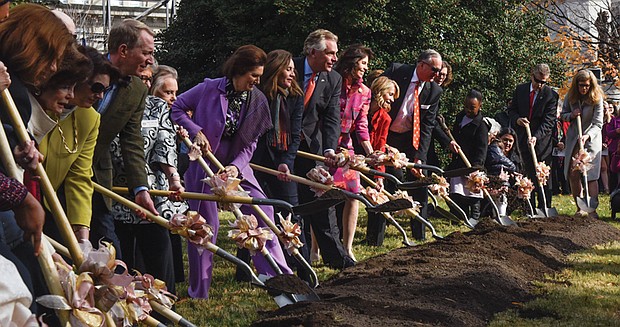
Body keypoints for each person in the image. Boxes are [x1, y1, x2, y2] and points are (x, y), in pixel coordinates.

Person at [171, 44, 293, 299]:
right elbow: (178, 108)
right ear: (238, 70)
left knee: (262, 211)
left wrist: (235, 167)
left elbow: (251, 143)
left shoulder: (257, 99)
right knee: (203, 227)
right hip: (204, 165)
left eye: (259, 76)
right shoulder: (208, 88)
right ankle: (199, 291)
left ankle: (278, 277)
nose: (257, 81)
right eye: (254, 76)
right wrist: (196, 131)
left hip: (237, 165)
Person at [110, 61, 187, 294]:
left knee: (159, 257)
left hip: (155, 194)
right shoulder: (110, 103)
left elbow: (165, 144)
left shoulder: (157, 107)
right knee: (121, 262)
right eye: (140, 78)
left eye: (147, 79)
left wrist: (173, 177)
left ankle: (163, 308)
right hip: (117, 194)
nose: (143, 83)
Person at [90, 19, 158, 257]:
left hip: (97, 176)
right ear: (123, 50)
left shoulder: (138, 90)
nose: (150, 60)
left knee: (107, 247)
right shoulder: (83, 69)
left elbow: (132, 142)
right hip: (55, 170)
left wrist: (140, 188)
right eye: (147, 52)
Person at [292, 29, 354, 269]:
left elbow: (331, 119)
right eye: (330, 53)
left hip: (314, 149)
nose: (334, 58)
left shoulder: (334, 79)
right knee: (292, 204)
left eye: (335, 53)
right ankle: (301, 257)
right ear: (313, 52)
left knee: (321, 199)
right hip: (283, 148)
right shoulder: (289, 70)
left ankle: (337, 257)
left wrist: (330, 149)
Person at [381, 49, 448, 241]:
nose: (437, 75)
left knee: (420, 182)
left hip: (412, 139)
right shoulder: (396, 71)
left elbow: (427, 126)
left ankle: (420, 235)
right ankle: (377, 232)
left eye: (439, 71)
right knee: (386, 180)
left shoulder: (434, 90)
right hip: (386, 135)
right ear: (421, 65)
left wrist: (420, 155)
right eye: (434, 70)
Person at [33, 48, 97, 243]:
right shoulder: (27, 105)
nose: (99, 96)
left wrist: (82, 236)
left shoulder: (90, 118)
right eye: (96, 87)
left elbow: (80, 176)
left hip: (46, 203)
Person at [251, 49, 304, 279]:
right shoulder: (258, 95)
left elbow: (295, 134)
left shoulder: (295, 97)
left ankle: (295, 264)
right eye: (288, 69)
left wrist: (286, 162)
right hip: (257, 163)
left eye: (293, 69)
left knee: (290, 211)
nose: (292, 74)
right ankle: (247, 267)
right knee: (253, 214)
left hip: (282, 161)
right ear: (276, 69)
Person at [331, 44, 374, 261]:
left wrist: (369, 151)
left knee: (353, 193)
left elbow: (362, 124)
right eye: (363, 63)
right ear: (352, 61)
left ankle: (347, 248)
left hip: (347, 148)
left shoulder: (365, 92)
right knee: (324, 194)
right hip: (326, 146)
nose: (366, 68)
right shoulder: (332, 82)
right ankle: (317, 248)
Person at [508, 63, 558, 211]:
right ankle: (528, 208)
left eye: (544, 82)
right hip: (523, 138)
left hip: (542, 142)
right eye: (538, 81)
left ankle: (544, 207)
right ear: (532, 76)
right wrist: (517, 120)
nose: (540, 85)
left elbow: (549, 121)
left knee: (542, 175)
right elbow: (512, 110)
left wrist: (536, 137)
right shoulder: (520, 90)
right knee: (528, 173)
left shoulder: (551, 95)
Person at [560, 69, 604, 218]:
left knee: (591, 175)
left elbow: (598, 123)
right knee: (574, 174)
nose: (584, 88)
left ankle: (592, 209)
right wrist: (571, 115)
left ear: (591, 85)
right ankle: (580, 207)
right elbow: (562, 115)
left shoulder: (597, 99)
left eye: (586, 85)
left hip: (591, 140)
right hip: (574, 140)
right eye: (581, 85)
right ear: (576, 85)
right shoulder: (570, 97)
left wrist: (587, 136)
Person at [365, 76, 399, 246]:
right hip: (352, 154)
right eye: (390, 94)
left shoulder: (385, 118)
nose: (392, 100)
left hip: (372, 160)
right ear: (380, 91)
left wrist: (379, 176)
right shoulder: (361, 107)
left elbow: (379, 148)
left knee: (377, 194)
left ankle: (374, 240)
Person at [447, 89, 488, 220]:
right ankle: (459, 216)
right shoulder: (460, 118)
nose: (468, 110)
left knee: (472, 192)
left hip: (472, 163)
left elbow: (482, 149)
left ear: (480, 106)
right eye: (466, 107)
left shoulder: (481, 126)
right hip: (458, 162)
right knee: (458, 191)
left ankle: (475, 216)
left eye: (472, 108)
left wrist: (476, 168)